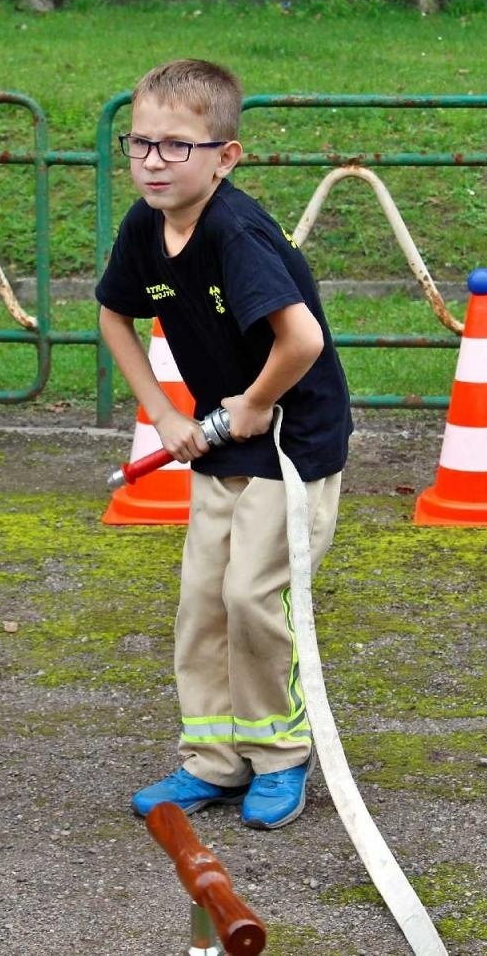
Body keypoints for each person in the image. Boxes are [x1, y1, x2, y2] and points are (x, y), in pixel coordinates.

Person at [96, 59, 352, 830]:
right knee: (202, 600)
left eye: (177, 146)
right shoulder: (145, 226)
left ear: (225, 156)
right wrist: (168, 416)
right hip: (216, 440)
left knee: (250, 595)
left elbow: (301, 338)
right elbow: (114, 316)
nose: (152, 162)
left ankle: (280, 753)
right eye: (140, 143)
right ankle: (215, 758)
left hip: (291, 445)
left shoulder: (236, 231)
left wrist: (256, 402)